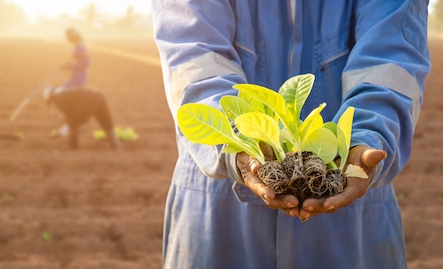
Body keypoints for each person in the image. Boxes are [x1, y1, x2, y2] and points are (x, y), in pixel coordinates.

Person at [152, 1, 429, 268]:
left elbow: (391, 56)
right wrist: (240, 139)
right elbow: (194, 55)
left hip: (351, 201)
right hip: (218, 207)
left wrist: (367, 135)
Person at [43, 85, 120, 151]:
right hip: (99, 97)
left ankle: (74, 151)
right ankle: (118, 151)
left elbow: (71, 116)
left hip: (87, 100)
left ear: (51, 97)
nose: (52, 103)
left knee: (73, 125)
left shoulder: (58, 98)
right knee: (108, 128)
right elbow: (75, 114)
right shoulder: (66, 93)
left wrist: (61, 131)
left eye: (50, 101)